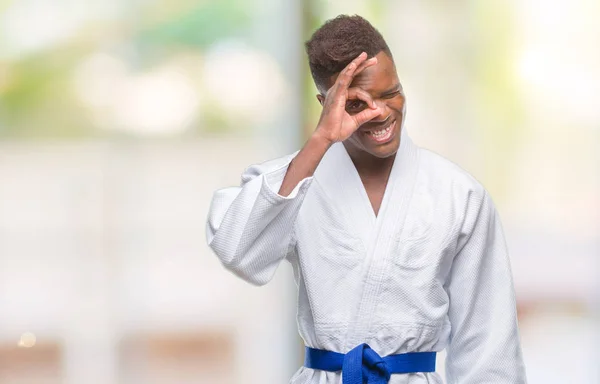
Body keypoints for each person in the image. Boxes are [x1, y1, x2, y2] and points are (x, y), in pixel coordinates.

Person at [206, 14, 527, 384]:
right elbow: (239, 251)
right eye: (357, 104)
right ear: (325, 103)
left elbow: (488, 343)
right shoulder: (296, 181)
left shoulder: (459, 195)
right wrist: (319, 142)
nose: (381, 113)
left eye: (391, 93)